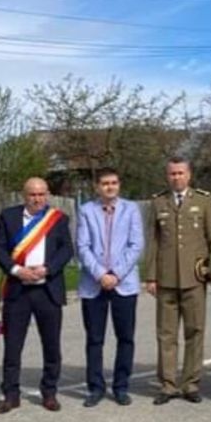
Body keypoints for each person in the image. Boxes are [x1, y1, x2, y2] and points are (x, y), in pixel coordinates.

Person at [143, 157, 211, 405]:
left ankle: (190, 383)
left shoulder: (204, 201)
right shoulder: (158, 202)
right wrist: (150, 276)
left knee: (195, 331)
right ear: (167, 176)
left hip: (194, 278)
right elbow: (152, 241)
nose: (176, 177)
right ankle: (168, 384)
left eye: (180, 173)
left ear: (189, 175)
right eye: (172, 174)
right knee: (166, 334)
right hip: (166, 278)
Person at [0, 177, 73, 414]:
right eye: (32, 194)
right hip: (18, 290)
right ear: (24, 195)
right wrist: (17, 271)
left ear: (47, 195)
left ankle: (49, 392)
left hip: (48, 290)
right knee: (12, 346)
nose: (37, 199)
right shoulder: (8, 217)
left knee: (51, 346)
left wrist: (47, 269)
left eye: (41, 194)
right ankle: (11, 395)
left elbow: (66, 249)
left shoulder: (58, 219)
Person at [76, 168, 143, 407]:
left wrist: (116, 274)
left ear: (119, 185)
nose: (110, 187)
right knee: (95, 339)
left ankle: (121, 386)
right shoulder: (86, 211)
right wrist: (100, 274)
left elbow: (136, 245)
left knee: (125, 337)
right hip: (93, 284)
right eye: (105, 183)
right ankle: (95, 387)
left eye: (114, 182)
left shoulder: (131, 209)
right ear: (97, 186)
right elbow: (82, 246)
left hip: (124, 283)